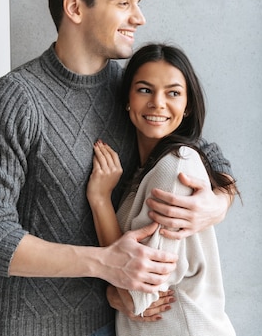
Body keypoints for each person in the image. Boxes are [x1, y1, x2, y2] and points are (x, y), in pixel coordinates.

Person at [0, 0, 234, 336]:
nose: (139, 18)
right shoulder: (11, 99)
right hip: (23, 328)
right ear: (75, 8)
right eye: (124, 3)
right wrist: (105, 262)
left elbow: (200, 147)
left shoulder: (131, 93)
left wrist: (218, 202)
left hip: (111, 323)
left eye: (138, 2)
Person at [88, 43, 238, 336]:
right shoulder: (147, 168)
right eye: (145, 89)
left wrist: (100, 199)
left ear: (188, 105)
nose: (158, 103)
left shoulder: (175, 167)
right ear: (127, 99)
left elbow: (138, 292)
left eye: (173, 93)